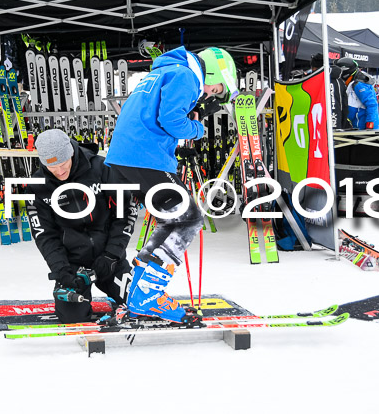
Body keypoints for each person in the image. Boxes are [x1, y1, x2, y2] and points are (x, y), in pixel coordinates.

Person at [105, 46, 238, 324]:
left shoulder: (163, 72)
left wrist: (194, 110)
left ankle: (140, 292)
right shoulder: (186, 76)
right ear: (213, 71)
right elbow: (171, 121)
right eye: (215, 89)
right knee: (190, 219)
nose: (209, 93)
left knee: (170, 221)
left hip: (126, 158)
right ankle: (149, 296)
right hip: (144, 157)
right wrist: (198, 129)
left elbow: (158, 115)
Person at [26, 129, 138, 323]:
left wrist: (112, 254)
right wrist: (61, 270)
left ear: (70, 153)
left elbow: (126, 213)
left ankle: (116, 291)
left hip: (109, 260)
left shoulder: (103, 169)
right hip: (73, 266)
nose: (59, 171)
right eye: (52, 167)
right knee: (72, 317)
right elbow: (44, 234)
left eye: (63, 164)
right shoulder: (37, 187)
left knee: (140, 304)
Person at [336, 57, 379, 130]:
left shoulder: (359, 85)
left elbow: (371, 104)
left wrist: (370, 124)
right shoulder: (354, 82)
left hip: (364, 127)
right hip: (358, 125)